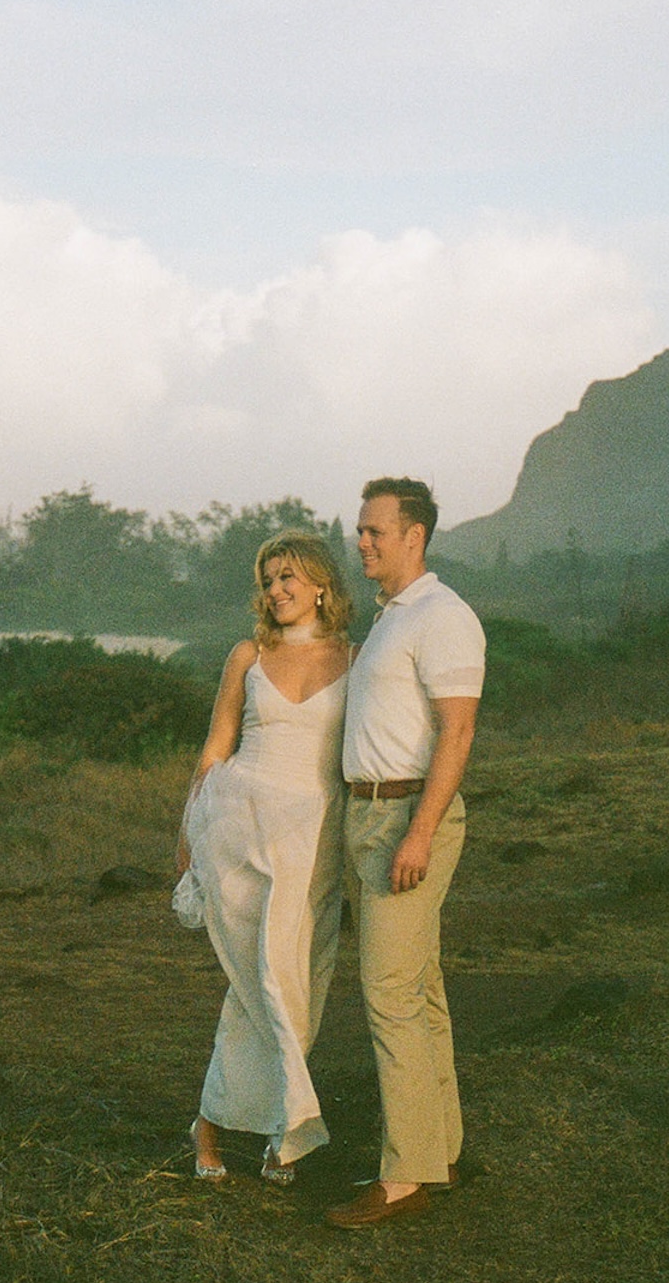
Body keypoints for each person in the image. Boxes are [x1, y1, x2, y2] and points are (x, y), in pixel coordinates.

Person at [325, 477, 485, 1229]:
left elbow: (458, 731)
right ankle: (439, 1150)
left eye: (374, 531)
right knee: (418, 988)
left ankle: (403, 1176)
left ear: (413, 535)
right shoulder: (393, 616)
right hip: (368, 813)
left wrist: (418, 832)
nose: (361, 541)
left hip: (407, 817)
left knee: (388, 992)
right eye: (360, 529)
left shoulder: (443, 615)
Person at [178, 530, 354, 1184]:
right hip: (239, 827)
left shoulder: (356, 658)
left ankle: (238, 1123)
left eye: (288, 577)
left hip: (314, 837)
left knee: (297, 980)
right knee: (261, 980)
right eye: (268, 579)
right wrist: (187, 833)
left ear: (321, 585)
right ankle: (273, 1128)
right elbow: (215, 748)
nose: (276, 590)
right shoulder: (247, 655)